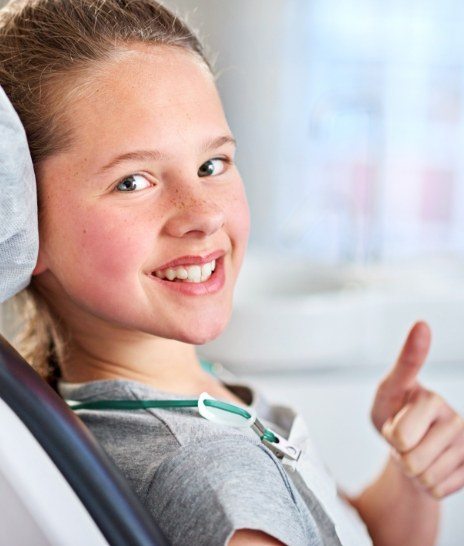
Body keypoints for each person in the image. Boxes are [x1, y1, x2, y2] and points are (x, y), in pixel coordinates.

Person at [0, 1, 463, 545]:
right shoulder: (209, 471)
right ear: (24, 216)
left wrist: (411, 479)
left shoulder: (180, 404)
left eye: (211, 165)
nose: (204, 214)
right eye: (133, 181)